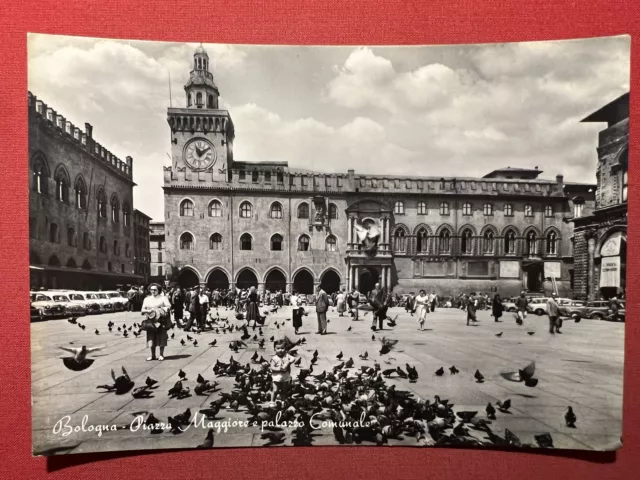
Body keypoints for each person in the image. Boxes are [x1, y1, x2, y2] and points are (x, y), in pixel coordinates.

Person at [141, 283, 172, 361]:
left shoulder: (163, 298)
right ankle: (153, 355)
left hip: (161, 320)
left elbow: (169, 307)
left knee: (161, 336)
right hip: (150, 321)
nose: (153, 291)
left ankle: (161, 354)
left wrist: (160, 309)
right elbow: (142, 310)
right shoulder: (147, 299)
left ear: (159, 290)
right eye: (152, 289)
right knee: (151, 337)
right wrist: (149, 310)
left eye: (155, 289)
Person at [269, 340, 295, 407]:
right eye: (278, 348)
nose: (280, 350)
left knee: (284, 390)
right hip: (277, 377)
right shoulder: (274, 358)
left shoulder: (287, 355)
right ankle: (272, 401)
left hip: (285, 376)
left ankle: (283, 401)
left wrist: (289, 362)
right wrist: (279, 369)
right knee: (275, 390)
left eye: (282, 348)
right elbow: (272, 368)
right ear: (275, 349)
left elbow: (293, 358)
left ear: (285, 349)